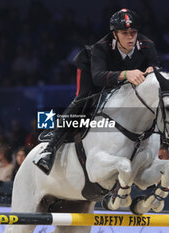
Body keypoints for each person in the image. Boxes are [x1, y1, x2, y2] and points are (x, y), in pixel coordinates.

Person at [34, 8, 159, 175]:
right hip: (92, 70)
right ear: (115, 34)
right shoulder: (101, 47)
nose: (130, 37)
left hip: (124, 74)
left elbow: (155, 67)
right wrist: (126, 74)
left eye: (133, 32)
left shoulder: (147, 45)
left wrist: (153, 70)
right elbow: (98, 78)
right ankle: (50, 150)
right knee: (83, 99)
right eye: (124, 33)